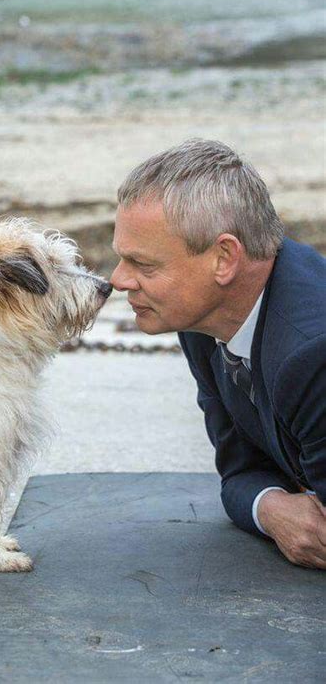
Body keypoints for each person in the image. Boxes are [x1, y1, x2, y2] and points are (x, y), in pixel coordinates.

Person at [110, 138, 326, 569]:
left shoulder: (313, 354)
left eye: (144, 265)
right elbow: (239, 473)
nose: (118, 280)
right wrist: (269, 508)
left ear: (224, 258)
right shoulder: (203, 319)